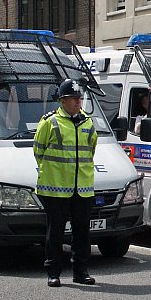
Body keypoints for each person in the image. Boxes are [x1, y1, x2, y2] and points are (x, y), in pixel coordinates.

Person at [34, 78, 98, 287]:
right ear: (62, 101)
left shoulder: (88, 122)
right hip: (56, 188)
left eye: (80, 98)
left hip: (83, 188)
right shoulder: (50, 122)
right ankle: (53, 272)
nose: (78, 102)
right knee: (56, 232)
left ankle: (81, 271)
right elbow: (38, 151)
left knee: (82, 232)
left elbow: (91, 150)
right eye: (73, 98)